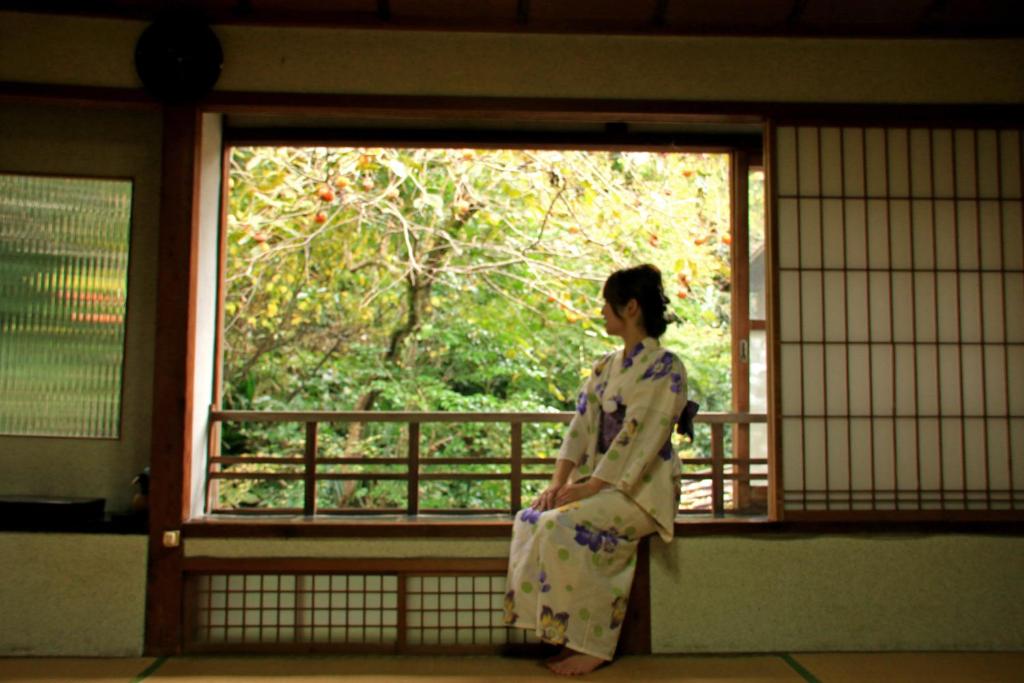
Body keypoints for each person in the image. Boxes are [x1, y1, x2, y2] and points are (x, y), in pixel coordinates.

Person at [504, 264, 687, 676]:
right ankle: (555, 630)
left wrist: (588, 489)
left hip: (641, 490)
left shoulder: (666, 369)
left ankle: (593, 643)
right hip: (603, 485)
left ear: (632, 307)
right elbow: (581, 427)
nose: (603, 312)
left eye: (608, 304)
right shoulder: (606, 367)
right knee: (533, 517)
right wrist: (558, 484)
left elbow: (638, 438)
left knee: (561, 526)